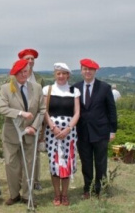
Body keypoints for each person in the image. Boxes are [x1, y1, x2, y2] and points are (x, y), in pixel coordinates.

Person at [0, 59, 45, 206]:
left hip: (31, 133)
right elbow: (2, 108)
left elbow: (42, 110)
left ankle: (27, 195)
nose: (23, 75)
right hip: (12, 134)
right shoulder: (6, 88)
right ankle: (14, 194)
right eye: (20, 72)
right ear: (14, 74)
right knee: (11, 164)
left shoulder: (36, 88)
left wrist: (35, 127)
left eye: (25, 71)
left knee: (29, 164)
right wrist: (20, 113)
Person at [74, 58, 117, 199]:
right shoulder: (75, 88)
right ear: (81, 71)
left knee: (100, 162)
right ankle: (87, 188)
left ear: (95, 71)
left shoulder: (104, 87)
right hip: (82, 132)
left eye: (90, 69)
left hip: (101, 132)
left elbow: (112, 110)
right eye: (85, 69)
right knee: (86, 163)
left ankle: (100, 189)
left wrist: (112, 130)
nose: (88, 72)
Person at [43, 63, 80, 206]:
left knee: (68, 162)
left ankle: (65, 195)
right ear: (55, 75)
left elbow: (77, 112)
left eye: (64, 73)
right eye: (58, 73)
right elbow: (44, 110)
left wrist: (68, 128)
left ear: (68, 75)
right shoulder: (48, 89)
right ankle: (56, 195)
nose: (61, 76)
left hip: (69, 133)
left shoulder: (74, 91)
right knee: (54, 163)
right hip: (52, 132)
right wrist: (53, 127)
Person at [18, 48, 45, 191]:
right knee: (20, 152)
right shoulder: (15, 76)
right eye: (27, 58)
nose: (30, 61)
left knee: (35, 153)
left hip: (35, 121)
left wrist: (39, 124)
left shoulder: (39, 79)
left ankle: (35, 180)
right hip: (19, 121)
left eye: (32, 59)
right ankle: (21, 180)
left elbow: (43, 103)